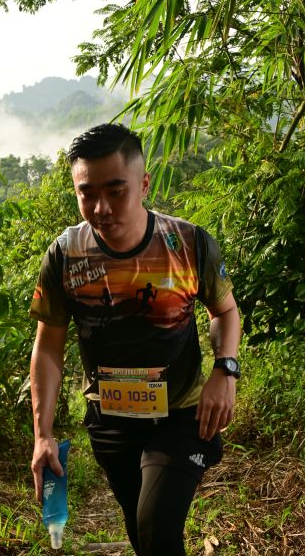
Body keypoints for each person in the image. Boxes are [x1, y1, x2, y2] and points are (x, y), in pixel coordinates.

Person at [29, 123, 241, 556]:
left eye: (116, 191)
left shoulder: (187, 243)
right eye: (87, 193)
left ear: (144, 184)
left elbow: (224, 311)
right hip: (111, 421)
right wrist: (42, 433)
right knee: (142, 531)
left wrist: (226, 369)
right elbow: (48, 346)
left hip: (181, 417)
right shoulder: (66, 254)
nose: (101, 208)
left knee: (156, 526)